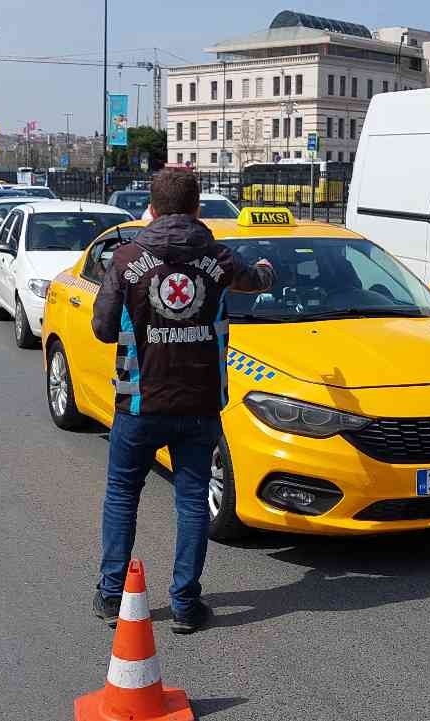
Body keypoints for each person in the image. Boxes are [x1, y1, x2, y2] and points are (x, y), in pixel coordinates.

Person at [90, 169, 274, 634]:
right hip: (199, 404)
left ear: (151, 209)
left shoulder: (126, 259)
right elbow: (257, 280)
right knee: (192, 501)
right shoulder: (220, 258)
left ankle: (111, 596)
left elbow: (103, 329)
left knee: (122, 496)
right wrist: (265, 270)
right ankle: (186, 605)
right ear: (197, 208)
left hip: (139, 404)